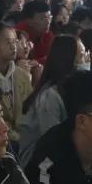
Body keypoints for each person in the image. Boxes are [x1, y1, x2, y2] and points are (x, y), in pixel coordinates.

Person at [17, 35, 86, 165]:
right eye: (82, 56)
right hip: (36, 159)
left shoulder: (74, 88)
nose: (86, 61)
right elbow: (53, 141)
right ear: (69, 60)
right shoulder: (50, 96)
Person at [14, 0, 55, 64]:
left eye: (49, 17)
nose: (48, 22)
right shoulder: (17, 34)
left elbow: (52, 57)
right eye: (42, 18)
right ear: (29, 21)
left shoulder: (48, 34)